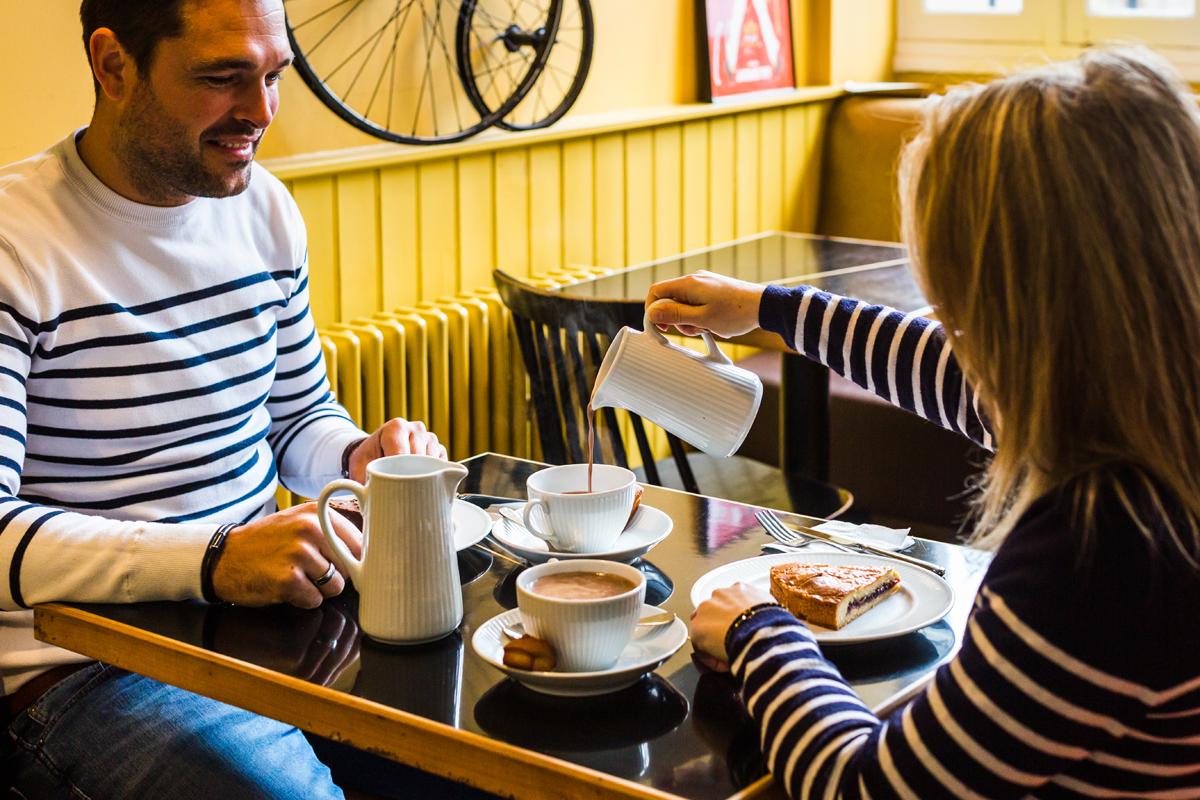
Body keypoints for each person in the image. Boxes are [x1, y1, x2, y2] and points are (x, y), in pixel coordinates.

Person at [650, 46, 1200, 798]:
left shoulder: (1100, 550)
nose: (946, 317)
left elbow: (869, 787)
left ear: (1019, 302)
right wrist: (769, 310)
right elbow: (964, 378)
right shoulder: (1157, 415)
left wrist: (760, 632)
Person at [0, 1, 473, 797]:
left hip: (268, 637)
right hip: (86, 671)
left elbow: (299, 417)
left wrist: (358, 454)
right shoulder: (16, 241)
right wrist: (214, 560)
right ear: (113, 66)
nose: (259, 114)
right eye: (222, 79)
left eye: (273, 76)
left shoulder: (264, 210)